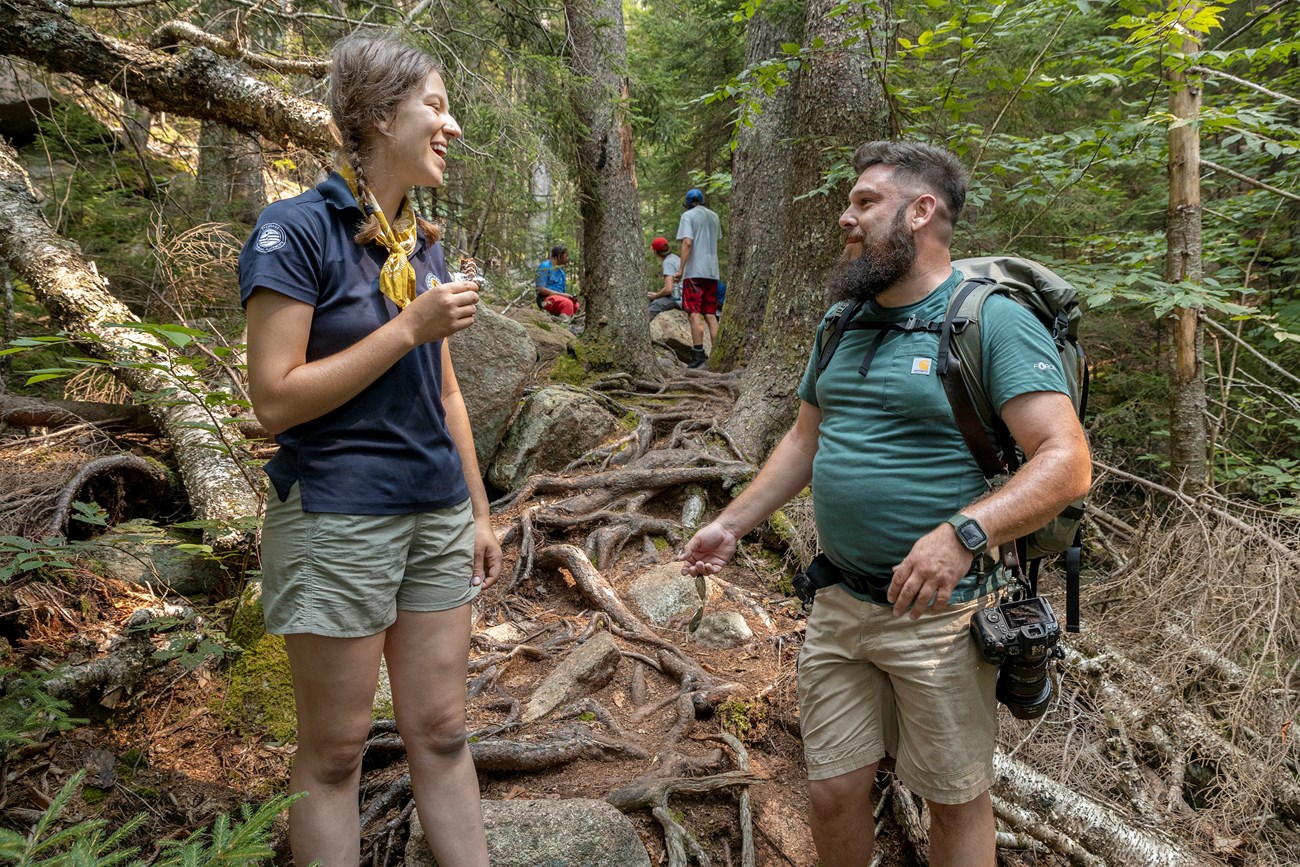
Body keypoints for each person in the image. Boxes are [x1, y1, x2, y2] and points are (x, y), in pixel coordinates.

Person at [681, 141, 1091, 867]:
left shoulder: (987, 320)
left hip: (945, 612)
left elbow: (1066, 461)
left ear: (922, 210)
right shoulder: (842, 320)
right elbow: (805, 441)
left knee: (954, 798)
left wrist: (964, 532)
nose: (847, 216)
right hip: (840, 602)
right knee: (833, 789)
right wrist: (731, 522)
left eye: (866, 201)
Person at [238, 30, 498, 867]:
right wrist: (407, 327)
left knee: (443, 728)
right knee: (338, 749)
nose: (451, 125)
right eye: (436, 104)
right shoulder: (296, 230)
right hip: (337, 513)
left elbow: (447, 392)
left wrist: (482, 512)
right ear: (381, 116)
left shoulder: (421, 244)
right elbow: (274, 398)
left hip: (436, 511)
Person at [673, 188, 722, 368]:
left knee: (694, 313)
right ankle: (718, 355)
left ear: (687, 204)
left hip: (694, 272)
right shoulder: (714, 216)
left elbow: (687, 242)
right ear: (702, 201)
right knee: (710, 314)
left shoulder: (688, 216)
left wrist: (680, 269)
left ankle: (698, 356)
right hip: (712, 272)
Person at [535, 244, 579, 317]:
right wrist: (562, 295)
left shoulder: (562, 272)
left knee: (575, 304)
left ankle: (561, 318)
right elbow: (540, 289)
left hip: (558, 298)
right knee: (567, 303)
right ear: (559, 256)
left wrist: (568, 296)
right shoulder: (544, 266)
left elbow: (562, 291)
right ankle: (563, 325)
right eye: (566, 256)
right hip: (545, 298)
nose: (567, 258)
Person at [647, 236, 681, 319]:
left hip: (678, 298)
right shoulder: (675, 258)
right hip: (684, 296)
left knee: (655, 305)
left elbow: (668, 289)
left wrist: (656, 296)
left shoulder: (668, 262)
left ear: (655, 252)